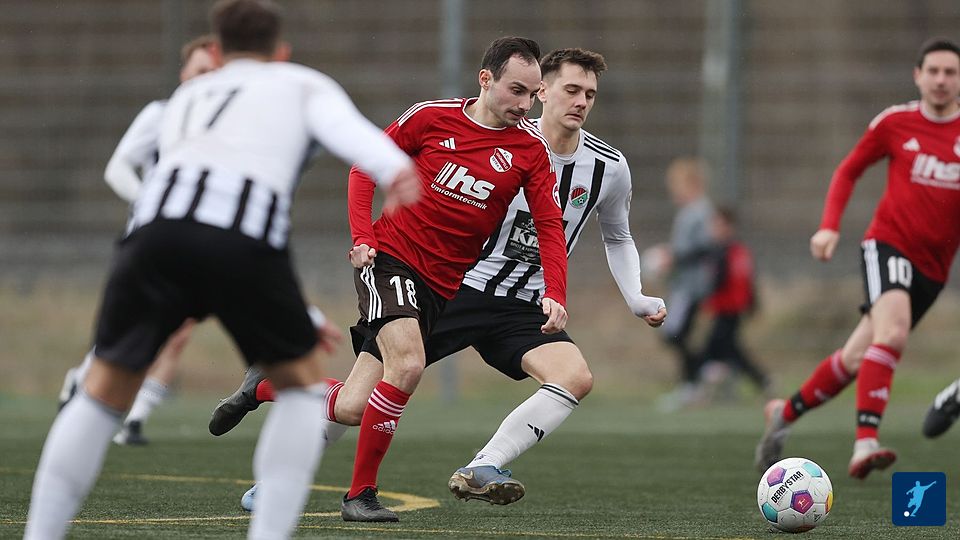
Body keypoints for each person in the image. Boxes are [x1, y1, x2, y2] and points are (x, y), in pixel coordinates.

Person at [23, 1, 420, 539]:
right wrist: (395, 172)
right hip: (240, 242)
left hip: (150, 241)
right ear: (281, 53)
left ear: (215, 51)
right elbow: (361, 143)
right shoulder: (301, 84)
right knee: (303, 393)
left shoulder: (185, 98)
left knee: (100, 394)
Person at [213, 47, 667, 516]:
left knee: (575, 377)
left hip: (520, 305)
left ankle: (484, 465)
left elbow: (586, 231)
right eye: (571, 89)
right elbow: (369, 165)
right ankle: (285, 476)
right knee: (358, 401)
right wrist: (365, 235)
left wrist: (613, 295)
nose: (581, 101)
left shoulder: (597, 165)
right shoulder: (464, 123)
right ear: (541, 90)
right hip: (453, 287)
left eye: (590, 94)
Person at [755, 37, 960, 480]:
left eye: (950, 72)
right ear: (918, 76)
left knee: (855, 358)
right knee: (893, 332)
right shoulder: (896, 122)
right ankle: (865, 442)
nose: (941, 80)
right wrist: (829, 225)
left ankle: (783, 414)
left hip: (934, 270)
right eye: (934, 71)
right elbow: (849, 170)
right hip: (888, 245)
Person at [56, 34, 219, 446]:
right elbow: (118, 168)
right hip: (152, 243)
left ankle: (134, 421)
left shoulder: (224, 126)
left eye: (215, 71)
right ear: (184, 73)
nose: (208, 79)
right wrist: (154, 205)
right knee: (134, 328)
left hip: (196, 243)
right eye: (201, 70)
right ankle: (82, 382)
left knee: (177, 331)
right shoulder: (160, 115)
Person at [647, 158, 715, 411]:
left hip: (692, 287)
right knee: (676, 333)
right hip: (682, 285)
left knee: (674, 333)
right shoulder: (689, 212)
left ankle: (698, 377)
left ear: (692, 184)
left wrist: (672, 257)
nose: (674, 193)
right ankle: (697, 379)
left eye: (677, 187)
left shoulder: (700, 211)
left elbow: (705, 247)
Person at [697, 206, 770, 401]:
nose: (714, 229)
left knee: (717, 349)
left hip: (729, 309)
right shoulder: (735, 251)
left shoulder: (727, 252)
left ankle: (703, 387)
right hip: (728, 309)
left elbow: (728, 281)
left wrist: (703, 299)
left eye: (718, 225)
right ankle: (751, 383)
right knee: (728, 349)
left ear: (729, 227)